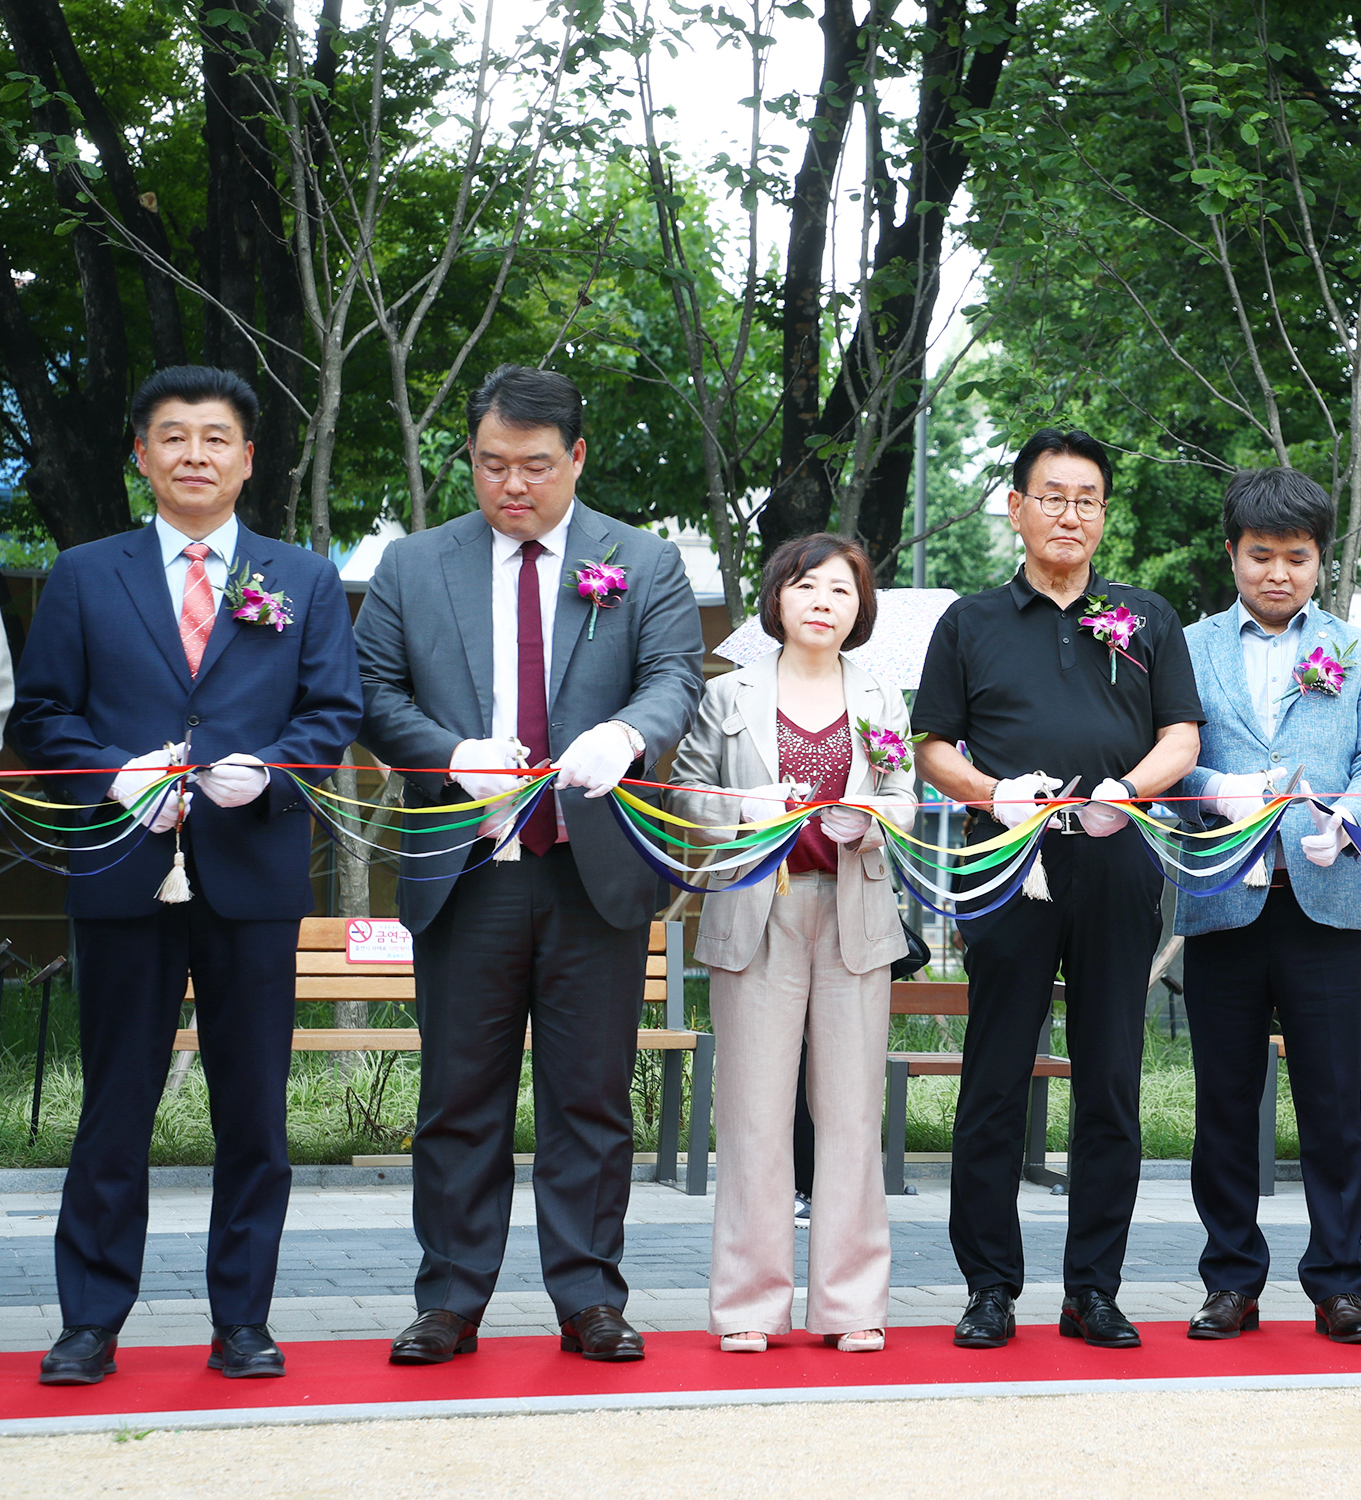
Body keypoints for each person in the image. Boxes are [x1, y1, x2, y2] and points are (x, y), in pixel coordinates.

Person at [13, 366, 361, 1385]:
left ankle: (241, 1320)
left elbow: (331, 715)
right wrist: (111, 777)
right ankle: (89, 1321)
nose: (195, 454)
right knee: (115, 1100)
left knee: (253, 1107)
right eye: (173, 436)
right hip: (124, 865)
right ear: (141, 455)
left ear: (249, 459)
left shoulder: (302, 578)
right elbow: (39, 717)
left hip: (250, 872)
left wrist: (277, 774)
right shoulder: (85, 574)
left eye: (216, 437)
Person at [354, 365, 705, 1365]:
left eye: (536, 466)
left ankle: (589, 1296)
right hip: (467, 866)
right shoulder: (415, 566)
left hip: (591, 868)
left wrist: (630, 736)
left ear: (577, 458)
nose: (512, 485)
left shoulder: (640, 559)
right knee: (459, 1095)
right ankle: (451, 1299)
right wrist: (445, 753)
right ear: (469, 456)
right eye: (491, 464)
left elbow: (674, 673)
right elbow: (374, 689)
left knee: (590, 1095)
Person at [913, 428, 1204, 1350]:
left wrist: (1136, 788)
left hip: (1119, 859)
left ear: (1104, 515)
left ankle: (1095, 1289)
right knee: (995, 1074)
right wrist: (991, 792)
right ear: (1017, 507)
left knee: (1113, 1077)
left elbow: (1183, 736)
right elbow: (931, 748)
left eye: (1087, 498)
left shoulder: (1147, 616)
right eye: (1052, 495)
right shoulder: (970, 621)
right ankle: (990, 1286)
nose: (1069, 513)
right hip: (1010, 863)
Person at [1174, 468, 1361, 1345]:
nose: (1279, 573)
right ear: (1231, 553)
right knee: (1225, 1104)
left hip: (1326, 891)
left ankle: (1339, 1282)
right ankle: (1230, 1280)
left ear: (1321, 560)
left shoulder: (1359, 651)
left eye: (1298, 558)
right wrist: (1215, 787)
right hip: (1223, 896)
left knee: (1331, 1103)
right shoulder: (1187, 645)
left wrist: (1355, 817)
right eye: (1261, 555)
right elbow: (1168, 753)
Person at [670, 533, 914, 1354]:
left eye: (842, 591)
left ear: (860, 609)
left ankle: (852, 1306)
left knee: (851, 1117)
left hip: (853, 916)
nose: (823, 602)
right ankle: (748, 1306)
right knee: (752, 1117)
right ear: (777, 597)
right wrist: (742, 811)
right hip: (756, 913)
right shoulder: (730, 695)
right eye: (807, 586)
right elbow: (690, 795)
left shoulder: (879, 696)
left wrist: (874, 819)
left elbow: (906, 796)